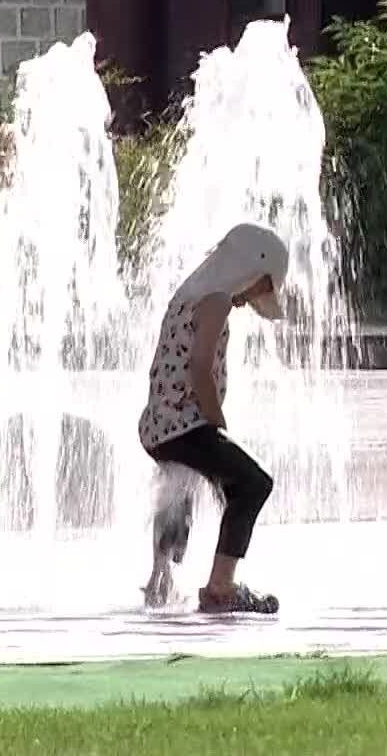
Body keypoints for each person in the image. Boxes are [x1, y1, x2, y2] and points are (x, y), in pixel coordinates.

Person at [138, 221, 290, 614]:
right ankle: (221, 588)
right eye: (260, 287)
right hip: (188, 424)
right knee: (253, 484)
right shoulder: (218, 299)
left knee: (178, 485)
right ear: (249, 270)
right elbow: (201, 365)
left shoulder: (188, 295)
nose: (253, 298)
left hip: (159, 426)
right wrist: (215, 418)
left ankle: (160, 580)